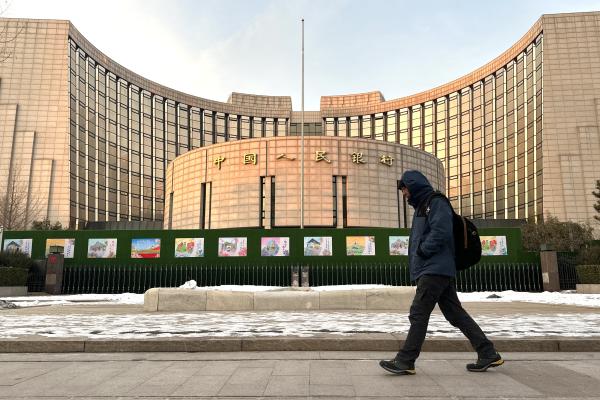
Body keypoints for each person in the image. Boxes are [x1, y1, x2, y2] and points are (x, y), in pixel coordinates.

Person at [379, 170, 503, 375]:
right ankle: (488, 353)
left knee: (418, 313)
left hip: (434, 269)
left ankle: (406, 360)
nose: (404, 194)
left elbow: (441, 231)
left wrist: (423, 250)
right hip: (435, 268)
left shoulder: (435, 202)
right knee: (455, 314)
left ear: (414, 185)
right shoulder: (422, 206)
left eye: (405, 189)